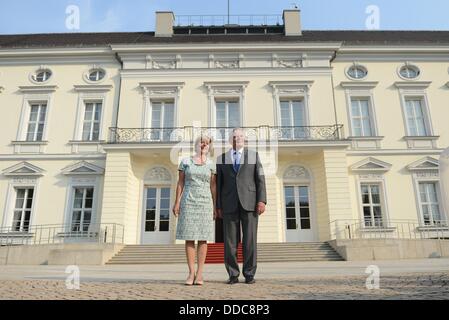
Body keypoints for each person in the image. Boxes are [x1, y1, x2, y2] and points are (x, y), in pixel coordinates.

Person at [216, 128, 267, 284]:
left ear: (244, 139)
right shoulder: (221, 158)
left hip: (250, 202)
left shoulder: (253, 155)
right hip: (228, 204)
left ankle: (249, 273)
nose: (237, 138)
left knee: (250, 240)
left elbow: (260, 179)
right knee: (230, 241)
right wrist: (218, 205)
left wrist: (262, 200)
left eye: (240, 136)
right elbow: (219, 185)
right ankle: (233, 274)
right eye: (234, 136)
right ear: (230, 140)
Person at [172, 135, 216, 286]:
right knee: (189, 237)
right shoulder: (185, 161)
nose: (203, 145)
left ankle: (200, 274)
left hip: (205, 202)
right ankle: (191, 272)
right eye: (201, 142)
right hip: (188, 200)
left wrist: (215, 206)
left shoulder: (211, 164)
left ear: (209, 147)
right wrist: (177, 202)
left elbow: (213, 186)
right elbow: (180, 182)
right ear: (196, 144)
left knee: (203, 238)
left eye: (206, 143)